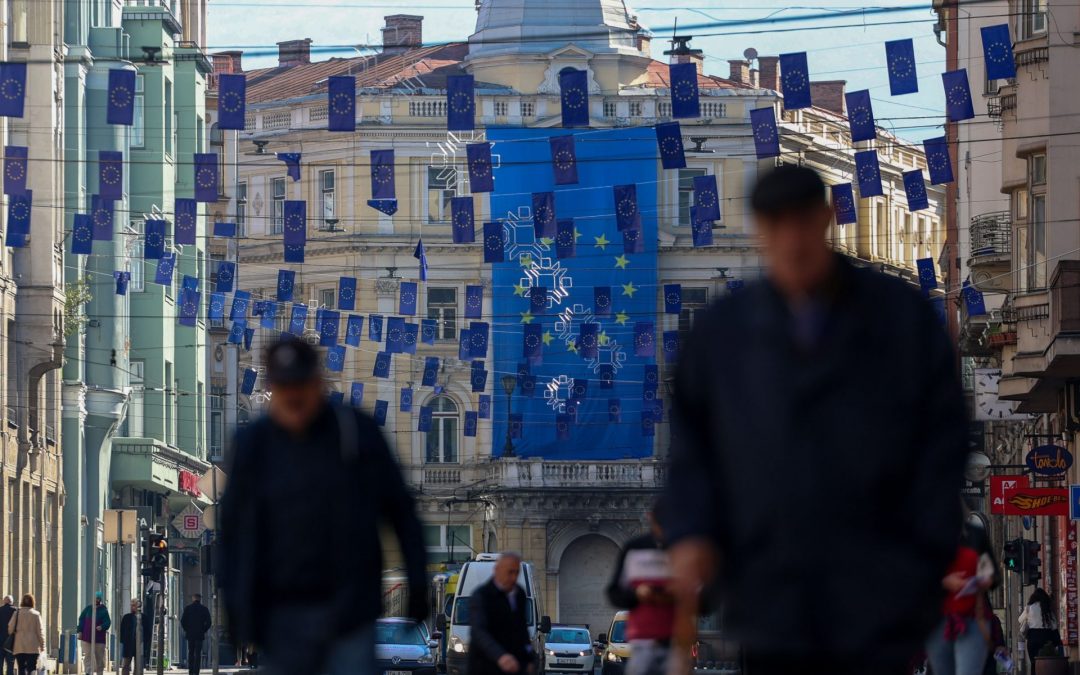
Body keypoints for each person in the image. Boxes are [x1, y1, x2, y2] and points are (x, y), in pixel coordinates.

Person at [663, 164, 970, 675]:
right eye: (775, 226)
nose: (791, 241)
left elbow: (942, 443)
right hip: (768, 590)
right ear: (759, 230)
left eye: (801, 223)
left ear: (825, 219)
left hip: (876, 587)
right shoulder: (724, 336)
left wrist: (921, 558)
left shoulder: (900, 320)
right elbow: (694, 450)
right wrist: (693, 532)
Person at [219, 338, 428, 675]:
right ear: (272, 388)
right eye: (284, 387)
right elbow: (232, 533)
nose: (294, 397)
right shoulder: (253, 445)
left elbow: (401, 512)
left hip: (349, 614)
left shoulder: (356, 434)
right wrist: (236, 610)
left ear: (318, 382)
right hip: (281, 616)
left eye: (301, 385)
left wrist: (418, 584)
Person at [606, 502, 674, 675]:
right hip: (642, 642)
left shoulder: (686, 549)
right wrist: (636, 594)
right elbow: (614, 593)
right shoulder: (634, 549)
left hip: (677, 642)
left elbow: (706, 600)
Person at [925, 519, 997, 675]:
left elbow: (995, 576)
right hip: (938, 619)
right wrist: (944, 582)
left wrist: (987, 579)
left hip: (973, 617)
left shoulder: (975, 535)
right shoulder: (924, 534)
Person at [468, 554, 535, 675]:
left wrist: (529, 659)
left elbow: (522, 629)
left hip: (514, 665)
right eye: (510, 572)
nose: (513, 577)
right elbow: (479, 631)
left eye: (516, 572)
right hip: (485, 665)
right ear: (497, 570)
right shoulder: (481, 596)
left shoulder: (519, 594)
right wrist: (500, 656)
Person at [1020, 587, 1062, 670]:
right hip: (1046, 638)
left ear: (1033, 597)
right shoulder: (1047, 610)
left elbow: (1020, 619)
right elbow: (1054, 626)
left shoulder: (1029, 608)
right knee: (1046, 665)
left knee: (1034, 664)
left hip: (1033, 638)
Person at [7, 595, 43, 675]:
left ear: (22, 602)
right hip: (33, 647)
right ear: (33, 602)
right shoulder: (36, 614)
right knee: (32, 667)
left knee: (21, 667)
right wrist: (42, 645)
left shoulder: (17, 613)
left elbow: (10, 628)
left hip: (19, 646)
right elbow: (40, 631)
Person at [78, 592, 111, 675]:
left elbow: (108, 622)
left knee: (99, 658)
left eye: (98, 598)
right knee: (88, 656)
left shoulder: (104, 610)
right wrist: (80, 631)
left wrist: (102, 626)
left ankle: (100, 672)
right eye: (95, 598)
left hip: (99, 639)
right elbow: (81, 620)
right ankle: (88, 672)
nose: (96, 600)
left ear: (100, 599)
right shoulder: (88, 609)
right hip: (87, 637)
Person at [181, 594, 213, 675]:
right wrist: (204, 630)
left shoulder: (188, 608)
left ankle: (191, 672)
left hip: (190, 634)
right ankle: (196, 672)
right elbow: (209, 622)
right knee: (198, 653)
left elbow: (182, 621)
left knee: (191, 653)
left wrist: (186, 629)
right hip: (199, 634)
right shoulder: (204, 609)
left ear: (193, 598)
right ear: (200, 599)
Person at [120, 599, 152, 675]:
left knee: (139, 666)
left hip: (140, 644)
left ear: (138, 606)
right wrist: (123, 641)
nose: (132, 607)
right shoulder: (126, 617)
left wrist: (144, 642)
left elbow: (148, 632)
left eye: (134, 605)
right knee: (125, 665)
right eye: (131, 605)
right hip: (128, 644)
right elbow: (122, 630)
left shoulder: (144, 618)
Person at [0, 596, 17, 675]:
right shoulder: (16, 611)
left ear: (4, 601)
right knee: (10, 665)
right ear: (12, 602)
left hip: (0, 641)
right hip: (11, 642)